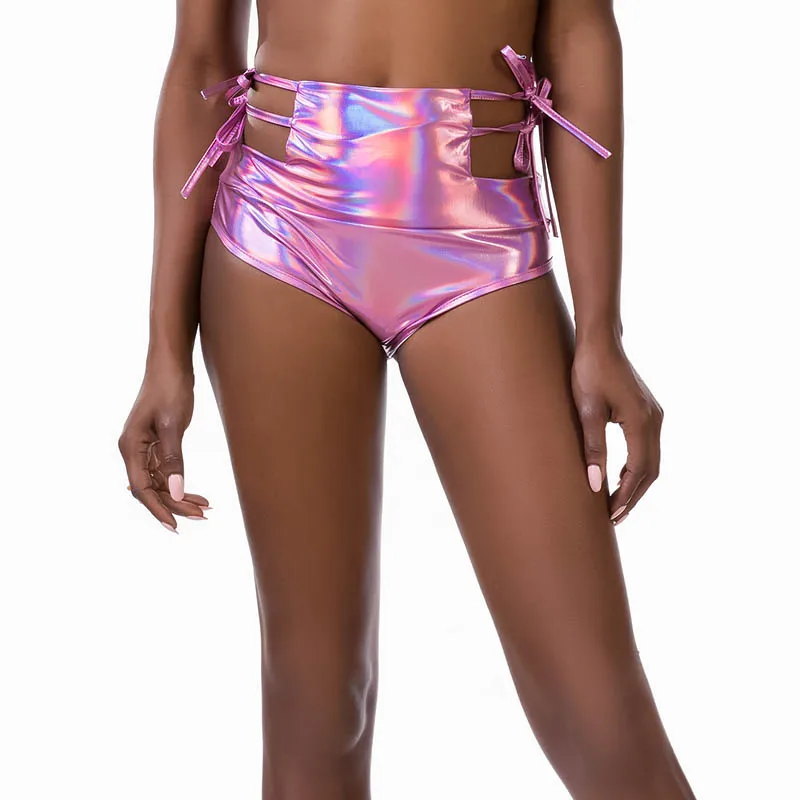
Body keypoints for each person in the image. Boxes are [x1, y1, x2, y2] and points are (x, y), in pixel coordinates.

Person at [118, 0, 696, 796]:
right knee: (320, 706)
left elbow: (577, 30)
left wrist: (601, 328)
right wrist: (164, 350)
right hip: (278, 226)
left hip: (482, 236)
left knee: (597, 710)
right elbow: (200, 59)